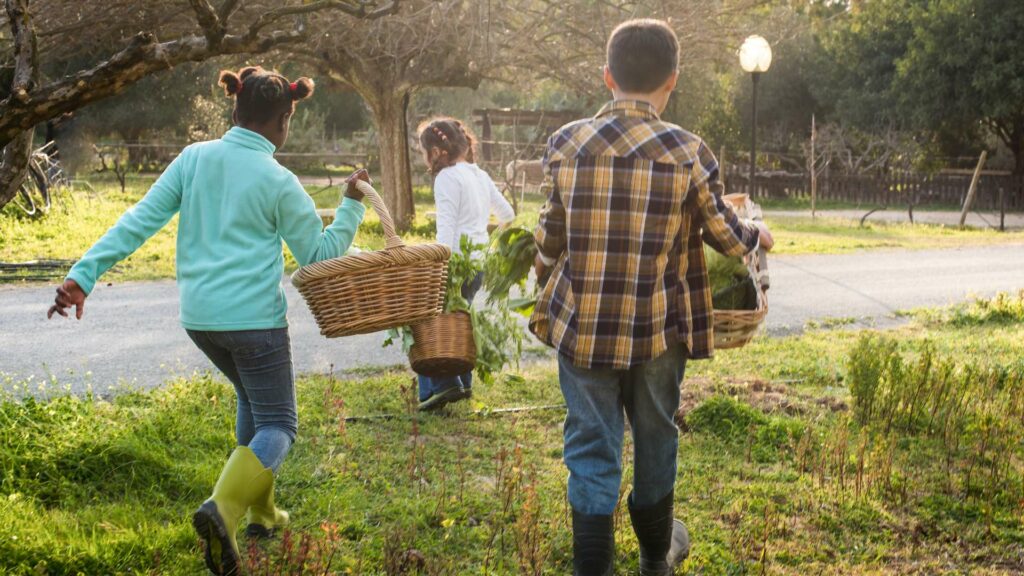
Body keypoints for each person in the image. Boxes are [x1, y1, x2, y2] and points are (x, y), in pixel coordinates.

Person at [46, 66, 370, 576]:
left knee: (253, 402)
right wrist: (350, 207)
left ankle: (262, 514)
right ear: (285, 119)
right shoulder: (279, 180)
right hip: (256, 324)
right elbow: (319, 255)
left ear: (234, 109)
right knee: (281, 424)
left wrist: (83, 276)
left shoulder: (193, 159)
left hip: (201, 322)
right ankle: (224, 507)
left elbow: (138, 220)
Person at [530, 20, 774, 576]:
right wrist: (755, 235)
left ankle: (593, 567)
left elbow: (549, 236)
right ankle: (653, 560)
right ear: (673, 82)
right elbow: (723, 232)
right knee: (656, 434)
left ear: (607, 76)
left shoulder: (567, 143)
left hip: (583, 328)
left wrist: (541, 268)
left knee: (591, 448)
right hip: (658, 332)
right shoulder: (688, 150)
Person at [416, 117, 515, 411]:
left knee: (428, 321)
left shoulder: (447, 178)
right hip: (477, 264)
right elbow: (507, 213)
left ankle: (442, 386)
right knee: (461, 320)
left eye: (424, 153)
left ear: (436, 151)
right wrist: (485, 240)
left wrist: (437, 264)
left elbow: (445, 230)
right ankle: (463, 381)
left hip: (454, 263)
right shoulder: (479, 175)